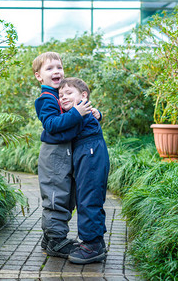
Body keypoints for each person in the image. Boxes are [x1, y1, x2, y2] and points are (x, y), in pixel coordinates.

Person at [33, 52, 92, 258]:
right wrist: (75, 114)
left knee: (64, 196)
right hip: (53, 155)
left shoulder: (59, 96)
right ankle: (57, 241)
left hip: (62, 154)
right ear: (39, 76)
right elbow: (50, 125)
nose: (56, 71)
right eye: (49, 68)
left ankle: (49, 238)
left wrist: (92, 113)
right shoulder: (46, 99)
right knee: (56, 197)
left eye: (59, 67)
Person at [58, 77, 109, 264]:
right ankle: (96, 241)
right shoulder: (81, 111)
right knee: (86, 197)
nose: (63, 97)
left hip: (91, 154)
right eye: (60, 95)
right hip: (87, 153)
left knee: (89, 197)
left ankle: (92, 245)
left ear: (84, 96)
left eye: (69, 93)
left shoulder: (80, 112)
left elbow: (62, 126)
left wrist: (97, 113)